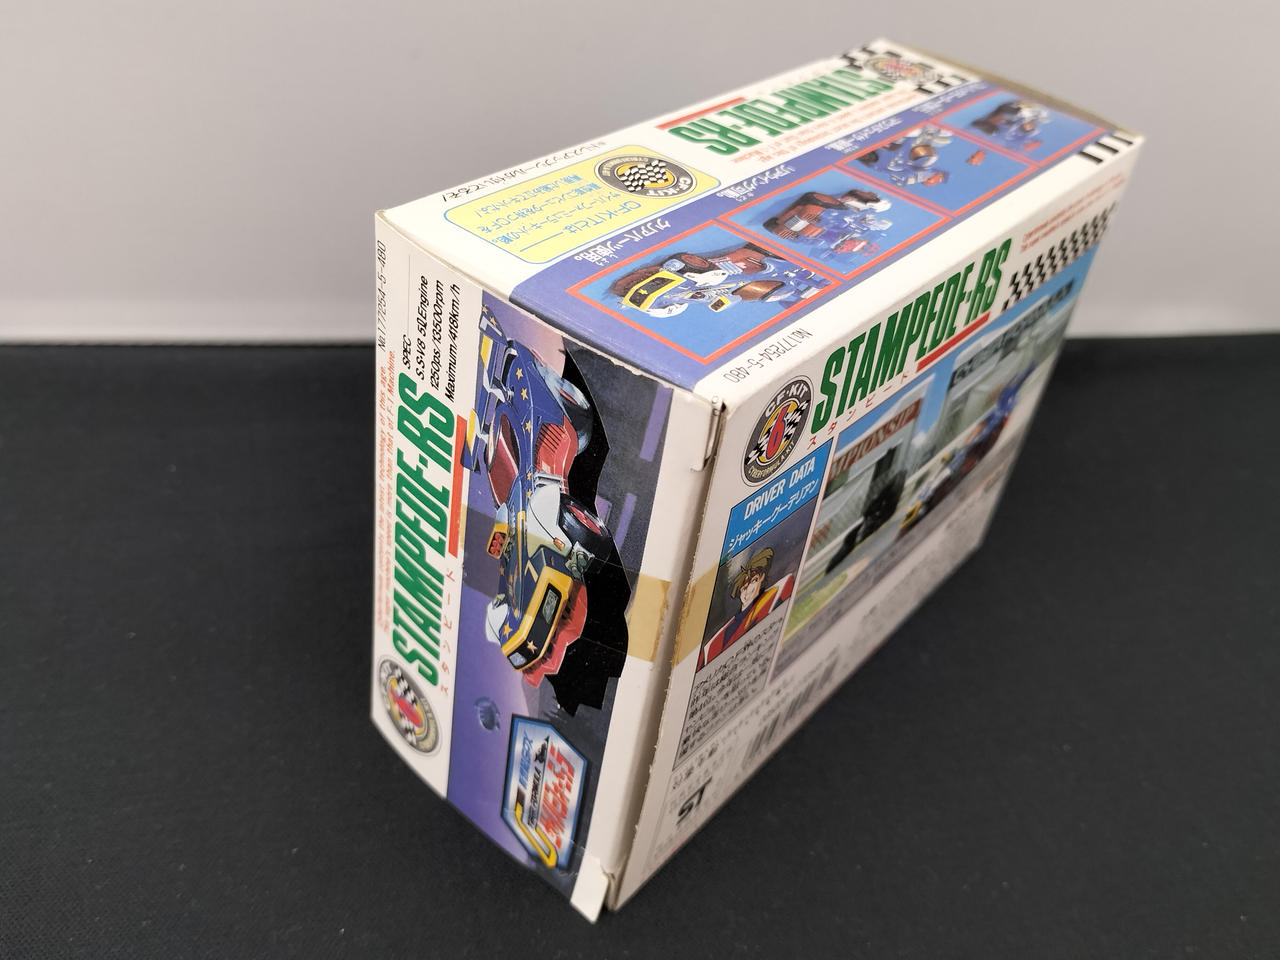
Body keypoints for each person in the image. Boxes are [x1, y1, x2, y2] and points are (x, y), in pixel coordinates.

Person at [697, 547, 795, 670]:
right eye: (743, 588)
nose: (748, 591)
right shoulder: (715, 642)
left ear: (761, 578)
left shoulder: (777, 594)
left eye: (754, 581)